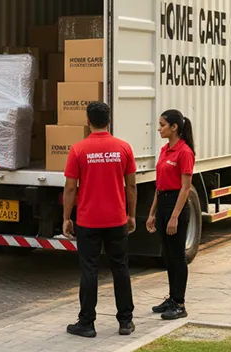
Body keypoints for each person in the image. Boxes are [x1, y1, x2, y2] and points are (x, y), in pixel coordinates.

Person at [63, 102, 137, 338]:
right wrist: (131, 214)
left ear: (88, 121)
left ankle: (87, 322)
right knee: (120, 268)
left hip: (88, 221)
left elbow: (70, 188)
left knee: (89, 271)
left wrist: (66, 217)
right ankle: (125, 321)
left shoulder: (78, 150)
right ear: (109, 120)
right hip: (116, 219)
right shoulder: (123, 148)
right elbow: (132, 185)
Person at [147, 109, 196, 321]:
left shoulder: (184, 152)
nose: (159, 128)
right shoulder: (165, 150)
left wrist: (175, 216)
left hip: (177, 206)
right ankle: (172, 298)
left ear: (174, 127)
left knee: (177, 257)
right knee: (167, 256)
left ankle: (180, 303)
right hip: (163, 203)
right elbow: (159, 186)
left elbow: (185, 188)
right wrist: (152, 213)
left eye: (162, 125)